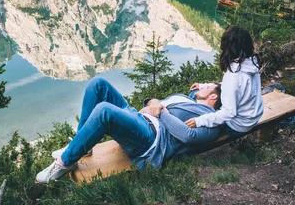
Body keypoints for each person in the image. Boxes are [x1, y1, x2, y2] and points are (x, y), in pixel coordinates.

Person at [35, 77, 223, 184]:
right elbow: (152, 103)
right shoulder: (190, 99)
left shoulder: (210, 121)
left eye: (207, 86)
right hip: (139, 118)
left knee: (104, 111)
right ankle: (82, 146)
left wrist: (161, 111)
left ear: (213, 96)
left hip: (150, 137)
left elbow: (187, 136)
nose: (202, 85)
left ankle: (64, 163)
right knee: (98, 85)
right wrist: (154, 103)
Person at [185, 26, 264, 137]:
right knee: (201, 93)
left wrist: (199, 121)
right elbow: (238, 88)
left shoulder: (233, 76)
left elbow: (229, 112)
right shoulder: (250, 64)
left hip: (237, 125)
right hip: (253, 115)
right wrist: (205, 86)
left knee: (194, 95)